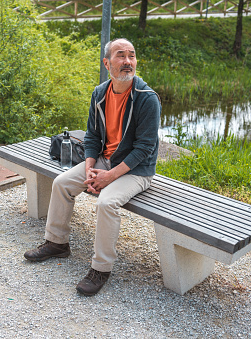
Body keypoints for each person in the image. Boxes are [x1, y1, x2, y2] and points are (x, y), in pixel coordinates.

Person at [24, 38, 161, 296]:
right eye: (121, 56)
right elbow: (92, 137)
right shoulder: (100, 93)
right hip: (104, 161)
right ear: (107, 62)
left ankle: (101, 268)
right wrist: (89, 168)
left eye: (132, 56)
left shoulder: (146, 99)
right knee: (62, 183)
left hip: (137, 170)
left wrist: (109, 176)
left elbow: (145, 149)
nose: (128, 61)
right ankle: (56, 243)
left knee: (106, 203)